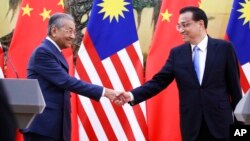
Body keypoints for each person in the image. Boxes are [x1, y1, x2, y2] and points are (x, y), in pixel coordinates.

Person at [115, 6, 242, 141]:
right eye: (178, 26)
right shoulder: (177, 54)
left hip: (222, 125)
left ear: (200, 24)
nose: (181, 30)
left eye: (185, 25)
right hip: (192, 126)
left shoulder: (224, 48)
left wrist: (241, 130)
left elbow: (235, 91)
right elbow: (158, 82)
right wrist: (131, 95)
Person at [21, 13, 118, 141]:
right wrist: (105, 92)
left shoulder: (53, 52)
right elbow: (66, 81)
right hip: (43, 127)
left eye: (74, 32)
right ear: (54, 31)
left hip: (55, 126)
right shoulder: (43, 52)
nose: (73, 36)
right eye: (69, 31)